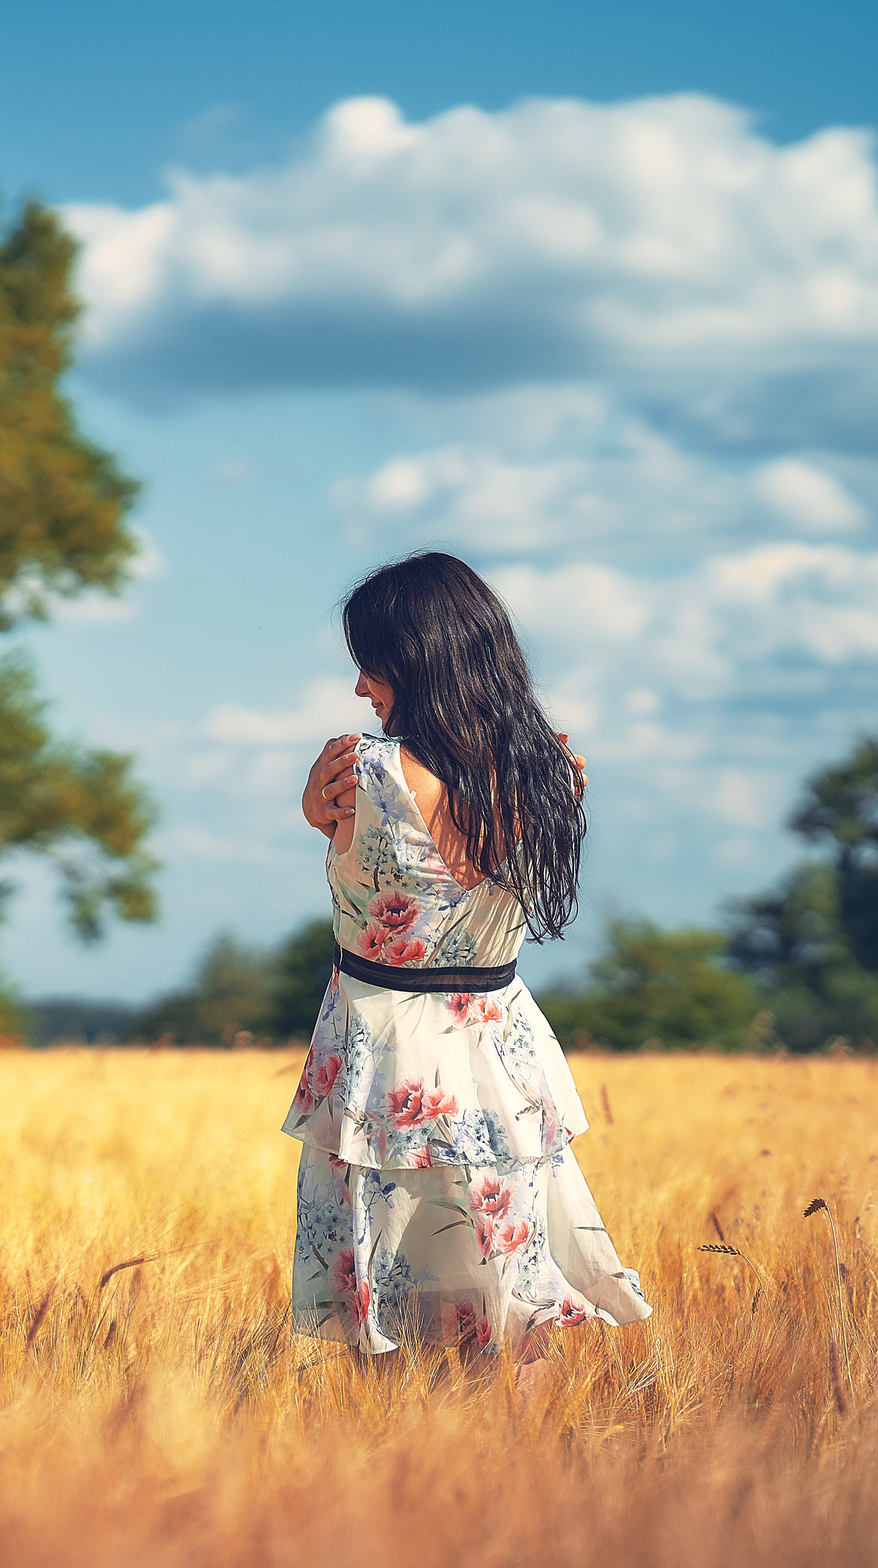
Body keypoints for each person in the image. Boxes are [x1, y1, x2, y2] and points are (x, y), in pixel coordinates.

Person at [285, 550, 652, 1368]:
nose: (358, 689)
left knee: (388, 1308)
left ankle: (410, 1485)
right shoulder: (552, 773)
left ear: (414, 660)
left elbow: (361, 866)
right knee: (514, 1300)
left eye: (369, 664)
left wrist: (318, 820)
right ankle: (524, 1485)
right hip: (503, 1063)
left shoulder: (357, 773)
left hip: (383, 1070)